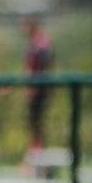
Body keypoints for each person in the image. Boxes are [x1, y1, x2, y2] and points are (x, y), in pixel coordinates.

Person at [23, 16, 54, 167]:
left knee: (38, 123)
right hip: (34, 89)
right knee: (34, 124)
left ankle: (40, 158)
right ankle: (36, 154)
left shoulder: (41, 42)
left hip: (40, 89)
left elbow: (46, 62)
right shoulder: (33, 42)